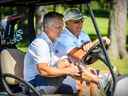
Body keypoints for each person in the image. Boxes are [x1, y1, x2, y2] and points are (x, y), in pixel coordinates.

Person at [54, 8, 110, 96]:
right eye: (76, 21)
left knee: (97, 78)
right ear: (67, 22)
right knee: (91, 81)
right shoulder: (63, 37)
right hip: (62, 73)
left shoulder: (83, 35)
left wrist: (100, 47)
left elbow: (89, 58)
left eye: (82, 21)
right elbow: (78, 55)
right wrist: (96, 42)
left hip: (79, 69)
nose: (80, 24)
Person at [24, 12, 80, 94]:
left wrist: (76, 69)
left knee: (81, 84)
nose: (61, 31)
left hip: (48, 80)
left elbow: (65, 62)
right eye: (58, 27)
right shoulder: (40, 43)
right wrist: (68, 71)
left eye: (62, 28)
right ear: (46, 28)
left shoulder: (56, 42)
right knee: (72, 75)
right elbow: (44, 71)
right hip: (34, 85)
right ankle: (96, 81)